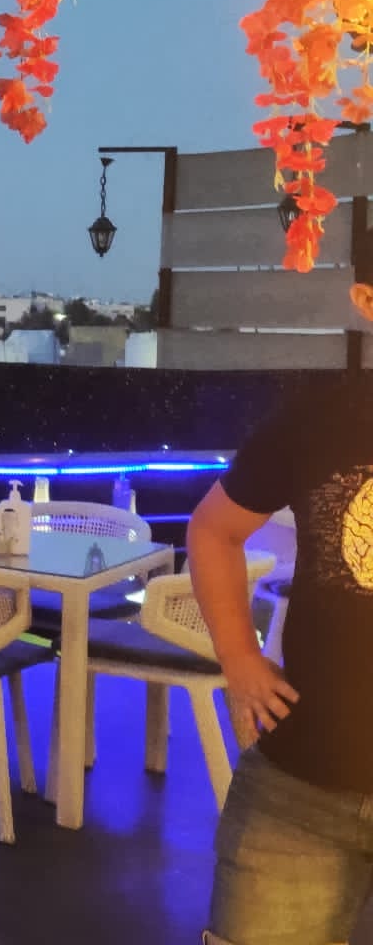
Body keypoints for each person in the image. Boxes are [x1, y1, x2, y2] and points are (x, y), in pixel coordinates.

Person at [189, 307, 373, 944]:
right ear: (367, 300)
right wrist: (239, 659)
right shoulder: (317, 420)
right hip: (302, 790)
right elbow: (214, 530)